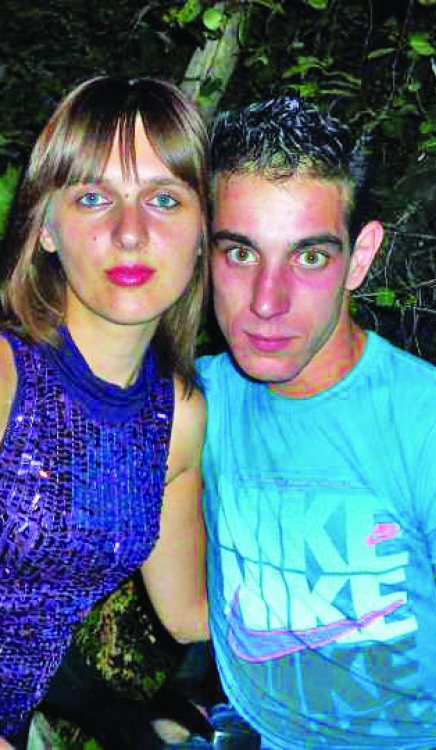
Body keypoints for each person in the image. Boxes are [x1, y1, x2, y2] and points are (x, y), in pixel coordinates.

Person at [196, 96, 436, 749]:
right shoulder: (199, 403)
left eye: (309, 257)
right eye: (240, 253)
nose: (267, 302)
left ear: (359, 259)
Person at [0, 76, 209, 749]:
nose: (130, 232)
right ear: (46, 227)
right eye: (93, 197)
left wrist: (366, 609)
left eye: (164, 199)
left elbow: (188, 612)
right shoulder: (7, 376)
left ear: (204, 231)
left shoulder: (177, 415)